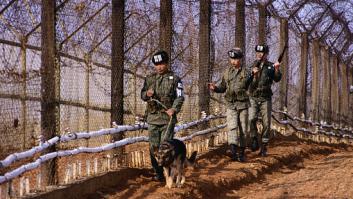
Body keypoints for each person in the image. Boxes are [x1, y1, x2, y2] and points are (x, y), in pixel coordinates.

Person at [141, 50, 184, 181]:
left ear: (166, 64)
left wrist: (174, 109)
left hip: (167, 119)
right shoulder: (149, 79)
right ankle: (158, 173)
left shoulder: (175, 79)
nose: (159, 67)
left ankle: (168, 173)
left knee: (165, 147)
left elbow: (180, 97)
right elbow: (142, 95)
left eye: (162, 64)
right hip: (153, 118)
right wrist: (146, 94)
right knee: (153, 147)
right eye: (157, 64)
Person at [209, 48, 253, 162]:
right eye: (231, 59)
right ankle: (233, 151)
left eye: (235, 59)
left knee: (243, 129)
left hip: (242, 104)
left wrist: (254, 75)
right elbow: (223, 87)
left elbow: (249, 84)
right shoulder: (227, 72)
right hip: (231, 104)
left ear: (240, 59)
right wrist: (215, 88)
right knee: (232, 126)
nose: (233, 61)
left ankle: (241, 152)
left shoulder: (247, 72)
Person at [248, 44, 282, 157]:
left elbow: (277, 79)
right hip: (253, 96)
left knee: (266, 123)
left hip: (265, 97)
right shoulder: (251, 66)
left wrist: (277, 69)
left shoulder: (270, 66)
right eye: (257, 52)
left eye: (262, 53)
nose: (259, 54)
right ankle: (253, 138)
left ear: (266, 54)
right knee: (251, 118)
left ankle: (264, 145)